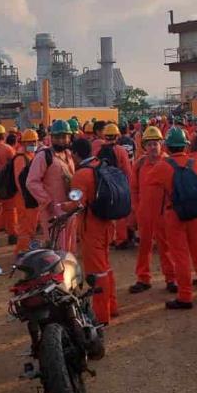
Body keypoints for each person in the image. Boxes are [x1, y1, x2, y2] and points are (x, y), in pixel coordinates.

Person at [149, 127, 197, 309]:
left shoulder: (162, 166)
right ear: (185, 146)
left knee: (180, 256)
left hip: (175, 214)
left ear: (168, 147)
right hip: (195, 213)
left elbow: (150, 180)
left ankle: (185, 296)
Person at [68, 137, 118, 324]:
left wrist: (58, 207)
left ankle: (101, 316)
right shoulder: (100, 166)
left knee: (97, 274)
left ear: (75, 154)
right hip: (106, 224)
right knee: (106, 267)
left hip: (91, 228)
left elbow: (75, 203)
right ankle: (111, 306)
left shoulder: (81, 175)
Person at [130, 126, 173, 294]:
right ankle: (143, 278)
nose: (153, 147)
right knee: (144, 247)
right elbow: (134, 189)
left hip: (164, 213)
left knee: (166, 247)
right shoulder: (140, 164)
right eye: (149, 144)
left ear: (161, 144)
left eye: (156, 144)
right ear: (144, 146)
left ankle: (172, 278)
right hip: (145, 213)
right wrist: (136, 210)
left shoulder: (168, 162)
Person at [25, 120, 78, 253]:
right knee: (56, 249)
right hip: (52, 212)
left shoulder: (68, 155)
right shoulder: (44, 156)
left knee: (69, 247)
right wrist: (47, 201)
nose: (61, 140)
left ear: (69, 137)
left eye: (64, 136)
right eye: (57, 137)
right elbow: (31, 182)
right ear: (51, 138)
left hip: (69, 209)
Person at [10, 130, 42, 256]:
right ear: (23, 143)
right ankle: (21, 253)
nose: (33, 143)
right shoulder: (21, 158)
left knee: (31, 226)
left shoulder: (29, 155)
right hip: (24, 198)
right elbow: (20, 181)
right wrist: (27, 197)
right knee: (25, 227)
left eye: (34, 141)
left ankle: (27, 251)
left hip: (30, 198)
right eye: (30, 141)